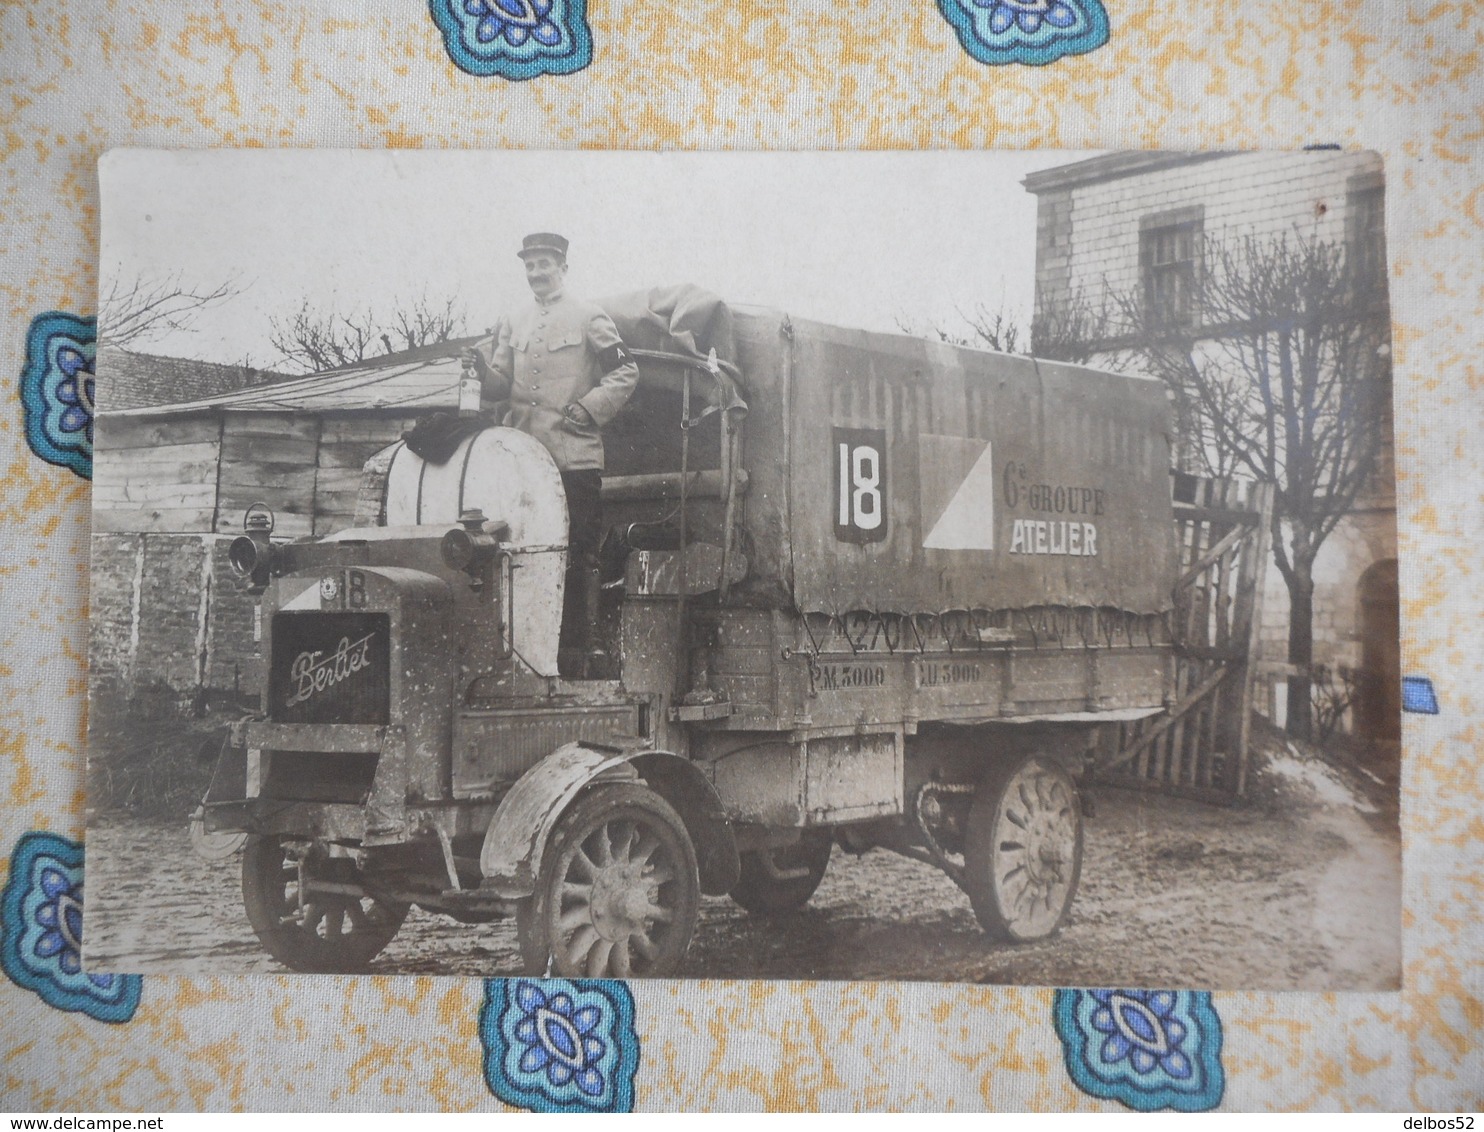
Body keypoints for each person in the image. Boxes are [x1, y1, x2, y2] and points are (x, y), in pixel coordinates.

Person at [462, 232, 639, 677]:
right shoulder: (512, 320)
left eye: (544, 264)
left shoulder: (588, 316)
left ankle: (582, 649)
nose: (536, 273)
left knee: (578, 552)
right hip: (521, 461)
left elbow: (625, 370)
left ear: (562, 266)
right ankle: (519, 648)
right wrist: (483, 372)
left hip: (572, 458)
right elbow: (501, 383)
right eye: (529, 265)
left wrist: (591, 407)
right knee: (514, 549)